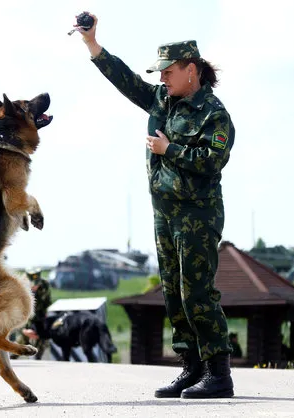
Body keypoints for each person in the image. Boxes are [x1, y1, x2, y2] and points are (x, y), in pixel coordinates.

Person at [75, 13, 235, 399]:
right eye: (160, 73)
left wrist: (170, 149)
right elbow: (128, 82)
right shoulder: (164, 99)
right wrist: (92, 45)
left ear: (191, 70)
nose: (161, 78)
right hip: (165, 213)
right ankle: (190, 367)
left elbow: (214, 160)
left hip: (197, 214)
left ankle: (218, 374)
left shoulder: (214, 114)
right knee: (173, 293)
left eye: (168, 72)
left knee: (197, 292)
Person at [12, 268, 52, 360]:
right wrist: (23, 330)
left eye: (37, 284)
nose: (35, 287)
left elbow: (46, 305)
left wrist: (42, 329)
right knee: (19, 346)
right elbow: (16, 314)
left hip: (39, 318)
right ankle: (10, 361)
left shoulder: (45, 285)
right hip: (24, 319)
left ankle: (38, 361)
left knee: (42, 343)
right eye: (32, 284)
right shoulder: (19, 289)